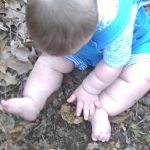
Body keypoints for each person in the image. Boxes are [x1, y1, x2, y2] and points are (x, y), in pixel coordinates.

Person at [0, 0, 150, 142]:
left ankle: (102, 108)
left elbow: (112, 66)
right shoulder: (77, 19)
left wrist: (89, 89)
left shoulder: (118, 27)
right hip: (84, 42)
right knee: (49, 60)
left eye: (65, 50)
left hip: (133, 45)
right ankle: (32, 100)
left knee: (141, 76)